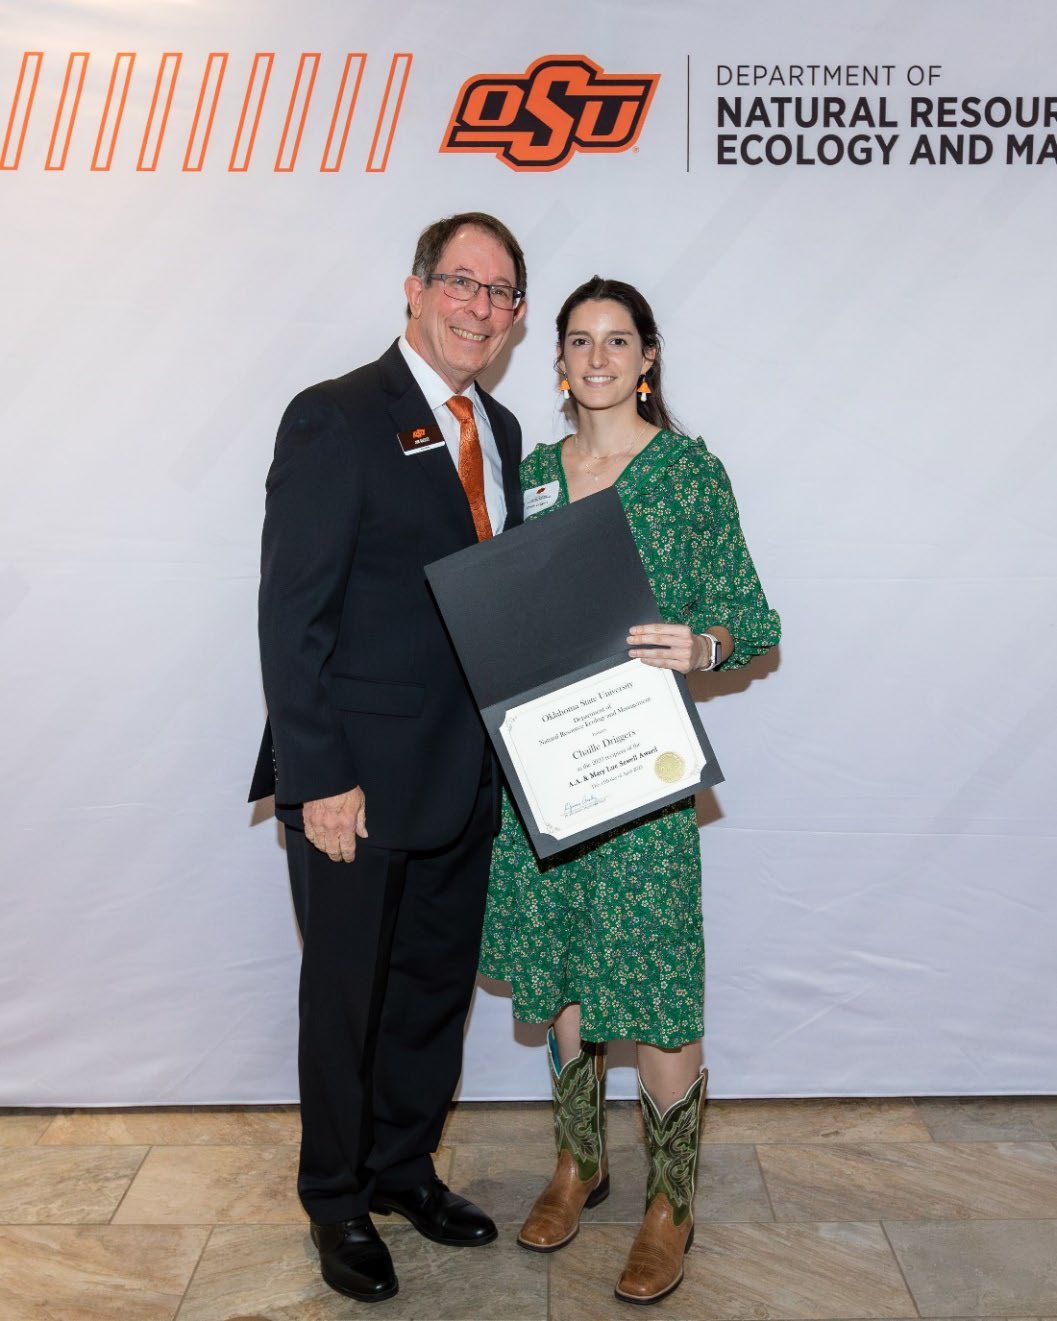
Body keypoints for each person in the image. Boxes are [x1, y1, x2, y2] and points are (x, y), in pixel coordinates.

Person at [480, 276, 780, 1306]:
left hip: (642, 775)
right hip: (546, 772)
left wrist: (701, 642)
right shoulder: (526, 475)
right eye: (578, 341)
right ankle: (579, 1161)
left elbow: (755, 620)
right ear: (557, 363)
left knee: (655, 988)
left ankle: (670, 1203)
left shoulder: (691, 476)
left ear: (646, 357)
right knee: (564, 973)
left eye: (617, 340)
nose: (597, 357)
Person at [250, 213, 527, 1304]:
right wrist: (316, 775)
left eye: (502, 293)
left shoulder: (498, 430)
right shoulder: (335, 416)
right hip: (352, 785)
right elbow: (292, 614)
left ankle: (403, 1169)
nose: (479, 307)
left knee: (427, 990)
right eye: (462, 281)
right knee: (347, 998)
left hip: (466, 774)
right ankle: (333, 1197)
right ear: (414, 290)